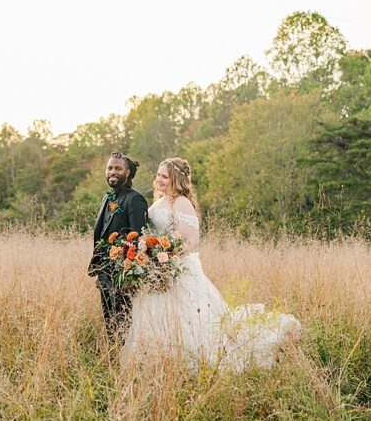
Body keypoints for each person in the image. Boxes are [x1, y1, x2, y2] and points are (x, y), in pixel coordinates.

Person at [121, 157, 301, 371]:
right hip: (158, 271)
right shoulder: (159, 201)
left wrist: (168, 255)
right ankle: (158, 362)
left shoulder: (181, 202)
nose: (159, 179)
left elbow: (192, 241)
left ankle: (190, 361)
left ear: (176, 179)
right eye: (159, 174)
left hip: (177, 270)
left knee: (193, 323)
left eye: (164, 176)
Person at [88, 152, 149, 342]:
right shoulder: (108, 198)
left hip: (124, 274)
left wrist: (130, 275)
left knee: (124, 320)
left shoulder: (135, 199)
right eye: (109, 168)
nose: (112, 172)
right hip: (105, 270)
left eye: (118, 168)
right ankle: (114, 360)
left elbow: (138, 237)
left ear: (128, 172)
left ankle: (126, 361)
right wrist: (99, 270)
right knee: (109, 320)